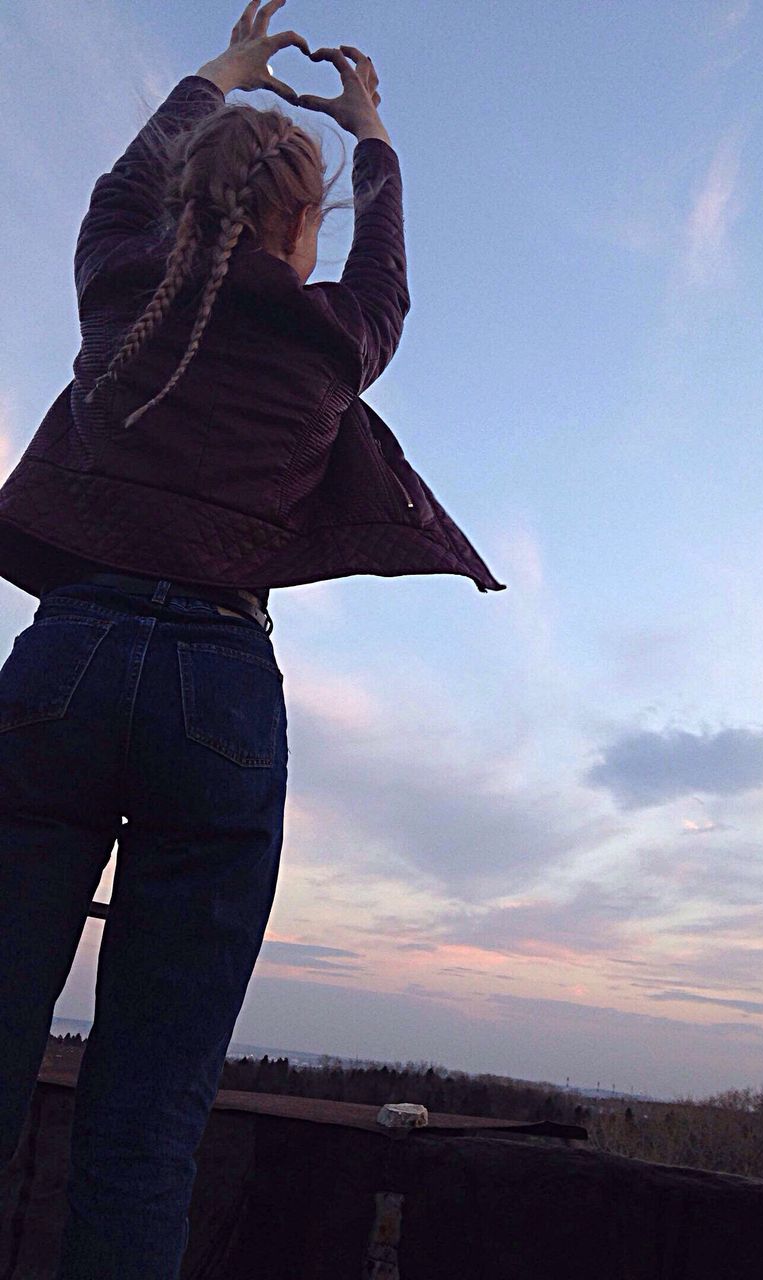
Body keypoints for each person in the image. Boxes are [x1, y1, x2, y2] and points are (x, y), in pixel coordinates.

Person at [0, 2, 504, 1275]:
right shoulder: (336, 336)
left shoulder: (120, 278)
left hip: (64, 660)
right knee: (151, 1114)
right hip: (220, 696)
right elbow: (387, 274)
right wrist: (371, 131)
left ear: (177, 211)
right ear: (301, 228)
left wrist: (220, 77)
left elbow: (127, 181)